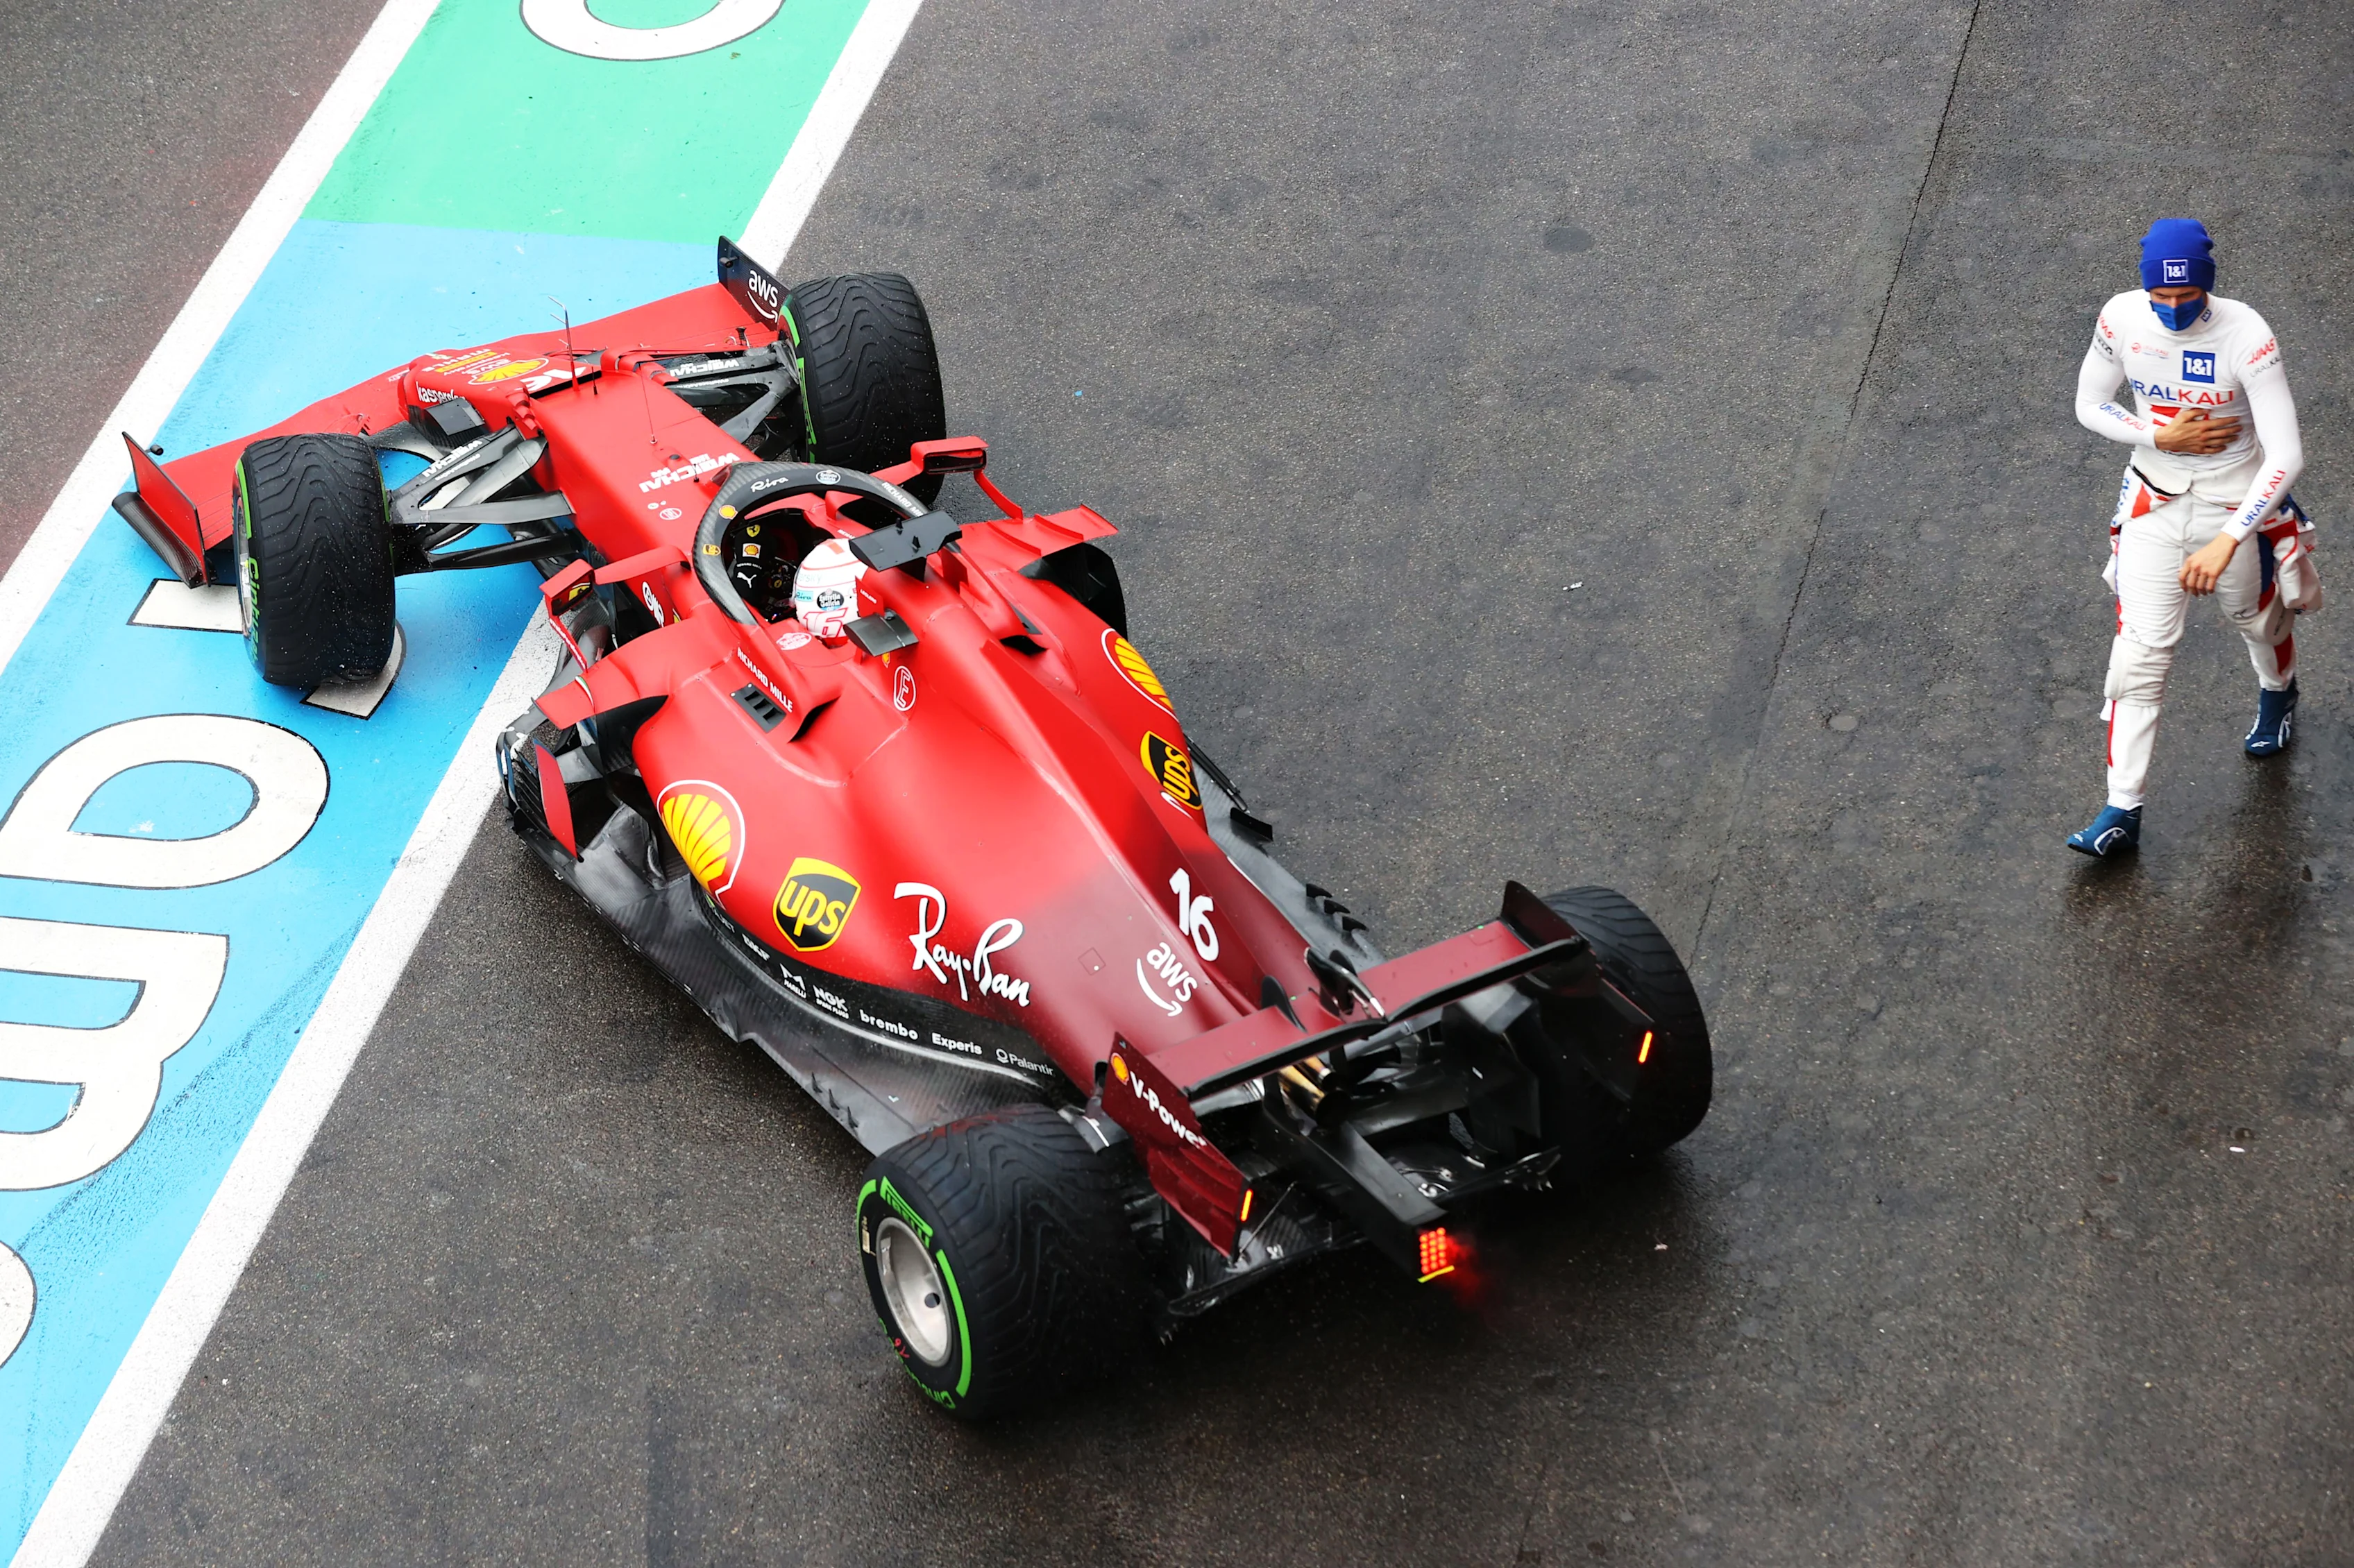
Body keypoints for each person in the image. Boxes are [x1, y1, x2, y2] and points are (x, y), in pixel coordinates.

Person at [2065, 217, 2319, 857]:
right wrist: (2158, 436)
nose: (2174, 308)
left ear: (2209, 287)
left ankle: (2278, 694)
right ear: (2144, 286)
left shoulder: (2248, 334)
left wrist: (2230, 538)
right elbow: (2090, 404)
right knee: (2140, 656)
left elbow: (2286, 456)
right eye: (2163, 296)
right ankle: (2122, 809)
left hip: (2237, 507)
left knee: (2258, 621)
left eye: (2188, 296)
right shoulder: (2121, 318)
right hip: (2154, 499)